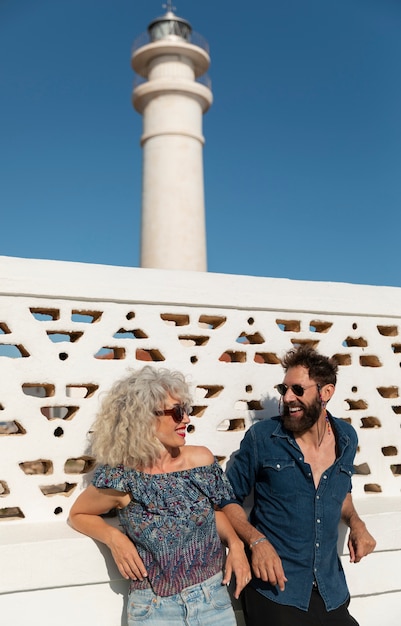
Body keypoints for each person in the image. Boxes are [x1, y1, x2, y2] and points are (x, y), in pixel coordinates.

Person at [69, 365, 250, 626]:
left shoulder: (200, 461)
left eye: (186, 410)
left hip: (212, 602)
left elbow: (214, 513)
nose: (186, 419)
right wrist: (114, 538)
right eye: (177, 412)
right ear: (145, 418)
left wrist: (235, 543)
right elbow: (79, 514)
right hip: (154, 610)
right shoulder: (122, 476)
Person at [220, 345, 376, 626]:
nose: (288, 398)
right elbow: (226, 498)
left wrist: (356, 523)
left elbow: (340, 492)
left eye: (298, 390)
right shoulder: (263, 437)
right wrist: (256, 541)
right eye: (284, 390)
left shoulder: (347, 438)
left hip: (330, 590)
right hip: (276, 590)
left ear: (325, 393)